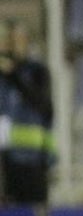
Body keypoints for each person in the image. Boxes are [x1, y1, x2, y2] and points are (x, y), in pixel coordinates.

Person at [0, 20, 54, 205]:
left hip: (33, 160)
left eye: (20, 40)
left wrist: (14, 75)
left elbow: (42, 104)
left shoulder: (38, 71)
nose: (15, 46)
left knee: (34, 210)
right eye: (12, 41)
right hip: (6, 160)